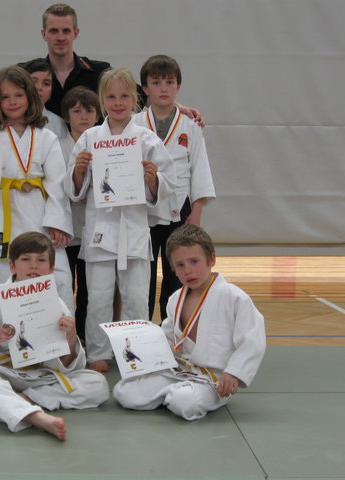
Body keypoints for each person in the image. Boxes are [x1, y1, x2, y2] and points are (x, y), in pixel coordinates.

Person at [65, 67, 175, 372]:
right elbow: (73, 189)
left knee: (137, 298)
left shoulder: (146, 138)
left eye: (124, 96)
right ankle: (99, 352)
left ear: (135, 98)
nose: (117, 102)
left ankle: (137, 351)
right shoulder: (90, 138)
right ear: (102, 100)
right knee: (97, 296)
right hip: (100, 230)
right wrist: (79, 170)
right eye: (111, 96)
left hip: (134, 231)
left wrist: (153, 179)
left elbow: (170, 183)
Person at [0, 232, 109, 440]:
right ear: (12, 266)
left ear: (51, 269)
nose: (33, 266)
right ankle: (36, 417)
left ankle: (24, 399)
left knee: (97, 384)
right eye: (25, 259)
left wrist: (71, 339)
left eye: (41, 260)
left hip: (39, 376)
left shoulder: (58, 305)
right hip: (3, 371)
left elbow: (67, 365)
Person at [113, 224, 266, 420]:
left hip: (215, 380)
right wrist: (147, 359)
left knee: (184, 402)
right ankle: (173, 391)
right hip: (180, 371)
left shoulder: (234, 297)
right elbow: (168, 339)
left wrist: (234, 374)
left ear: (211, 259)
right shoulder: (176, 298)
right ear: (173, 269)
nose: (188, 271)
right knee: (124, 391)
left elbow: (252, 341)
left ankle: (177, 394)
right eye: (180, 265)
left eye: (194, 261)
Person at [0, 65, 75, 313]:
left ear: (30, 96)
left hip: (41, 220)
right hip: (3, 219)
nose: (12, 102)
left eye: (18, 95)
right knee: (5, 284)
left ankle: (62, 344)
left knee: (58, 281)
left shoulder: (45, 136)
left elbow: (57, 183)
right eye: (5, 97)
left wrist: (58, 222)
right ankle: (10, 343)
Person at [135, 55, 216, 322]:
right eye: (156, 82)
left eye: (169, 82)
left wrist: (197, 210)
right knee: (142, 275)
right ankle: (143, 333)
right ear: (145, 88)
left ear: (178, 86)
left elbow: (199, 168)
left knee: (176, 273)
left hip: (179, 207)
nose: (164, 88)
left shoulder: (190, 126)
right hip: (142, 207)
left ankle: (174, 331)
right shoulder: (134, 124)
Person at [58, 86, 101, 340]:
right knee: (66, 284)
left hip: (95, 227)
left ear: (98, 115)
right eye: (77, 111)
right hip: (67, 227)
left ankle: (85, 334)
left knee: (90, 287)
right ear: (66, 116)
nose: (83, 116)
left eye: (89, 110)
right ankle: (67, 335)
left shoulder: (106, 142)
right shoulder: (58, 145)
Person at [21, 58, 69, 139]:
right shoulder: (10, 119)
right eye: (33, 81)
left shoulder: (58, 123)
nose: (39, 88)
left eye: (46, 83)